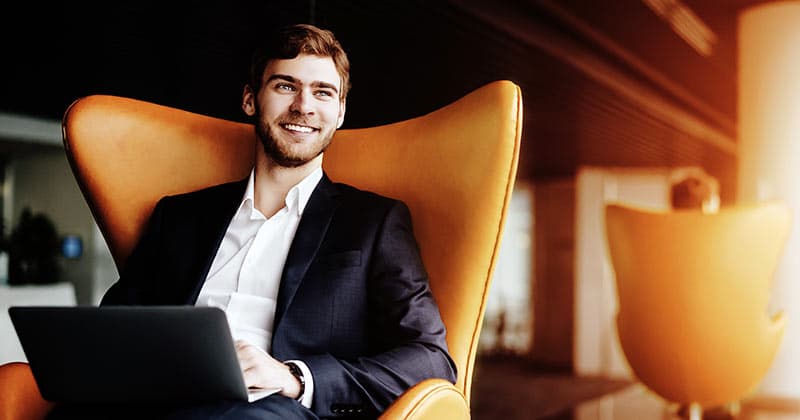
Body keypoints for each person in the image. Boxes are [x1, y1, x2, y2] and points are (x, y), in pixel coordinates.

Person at [48, 23, 456, 419]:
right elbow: (116, 325)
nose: (303, 106)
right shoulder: (179, 216)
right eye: (285, 86)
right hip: (160, 397)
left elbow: (430, 358)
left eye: (323, 92)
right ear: (250, 99)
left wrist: (296, 377)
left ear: (340, 112)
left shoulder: (374, 222)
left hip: (274, 408)